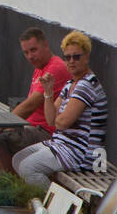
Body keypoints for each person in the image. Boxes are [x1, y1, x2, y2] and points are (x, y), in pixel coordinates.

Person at [13, 31, 108, 187]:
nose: (71, 61)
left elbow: (62, 123)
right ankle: (34, 198)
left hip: (82, 153)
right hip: (62, 144)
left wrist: (59, 116)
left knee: (27, 167)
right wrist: (49, 93)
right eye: (67, 57)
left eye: (76, 57)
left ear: (86, 57)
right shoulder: (71, 84)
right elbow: (51, 120)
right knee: (17, 159)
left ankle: (53, 205)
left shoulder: (87, 85)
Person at [0, 27, 70, 171]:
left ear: (46, 45)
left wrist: (1, 126)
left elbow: (30, 105)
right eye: (26, 52)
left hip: (47, 133)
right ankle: (6, 180)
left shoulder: (55, 68)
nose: (30, 56)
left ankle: (12, 185)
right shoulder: (39, 67)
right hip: (32, 127)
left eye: (33, 50)